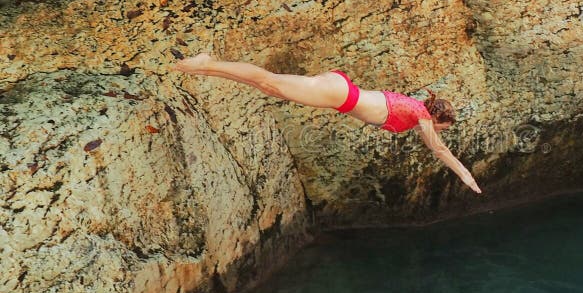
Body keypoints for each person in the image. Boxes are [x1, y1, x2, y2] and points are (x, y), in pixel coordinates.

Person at [172, 53, 482, 193]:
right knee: (270, 82)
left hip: (340, 90)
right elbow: (439, 151)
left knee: (268, 86)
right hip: (339, 94)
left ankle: (205, 68)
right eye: (443, 128)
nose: (437, 133)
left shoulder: (416, 109)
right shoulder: (422, 115)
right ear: (439, 118)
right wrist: (465, 175)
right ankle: (207, 64)